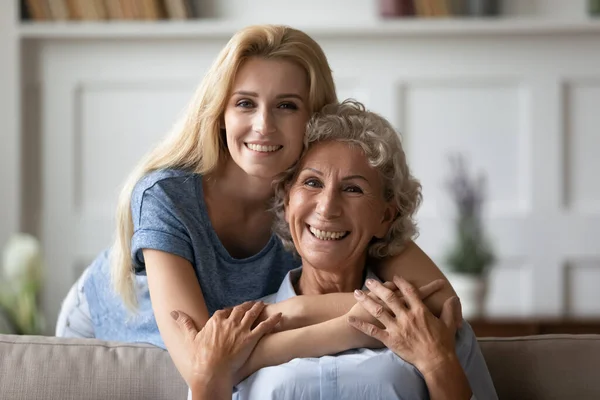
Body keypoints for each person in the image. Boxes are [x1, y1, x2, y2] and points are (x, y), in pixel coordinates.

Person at [56, 25, 459, 387]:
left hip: (235, 341)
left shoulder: (318, 201)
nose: (264, 125)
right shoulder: (166, 196)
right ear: (220, 114)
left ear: (314, 117)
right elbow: (202, 360)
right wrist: (358, 326)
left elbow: (439, 303)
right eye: (245, 103)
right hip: (110, 317)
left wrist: (297, 311)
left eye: (286, 106)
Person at [175, 100, 497, 400]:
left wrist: (437, 364)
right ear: (288, 201)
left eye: (353, 189)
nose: (328, 208)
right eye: (312, 183)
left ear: (385, 217)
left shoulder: (429, 323)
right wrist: (208, 374)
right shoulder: (236, 331)